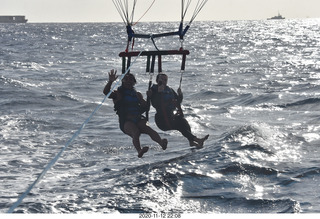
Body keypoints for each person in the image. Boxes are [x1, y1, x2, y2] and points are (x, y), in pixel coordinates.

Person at [103, 69, 168, 158]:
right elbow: (106, 92)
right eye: (126, 81)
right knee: (136, 132)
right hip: (126, 121)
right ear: (122, 82)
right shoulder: (118, 94)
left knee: (148, 129)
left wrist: (150, 96)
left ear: (134, 83)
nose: (128, 83)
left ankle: (161, 143)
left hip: (137, 118)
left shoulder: (137, 95)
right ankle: (139, 151)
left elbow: (146, 107)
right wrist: (110, 82)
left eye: (131, 81)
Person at [147, 73, 209, 148]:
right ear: (157, 80)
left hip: (170, 117)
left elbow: (177, 102)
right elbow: (155, 104)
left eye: (165, 80)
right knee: (180, 126)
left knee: (184, 122)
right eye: (162, 79)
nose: (164, 81)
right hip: (162, 120)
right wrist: (159, 93)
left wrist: (180, 95)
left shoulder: (169, 90)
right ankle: (197, 140)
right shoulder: (153, 90)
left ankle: (191, 142)